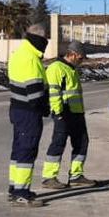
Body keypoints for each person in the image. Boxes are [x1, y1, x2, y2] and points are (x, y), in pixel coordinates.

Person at [41, 40, 97, 189]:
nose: (82, 61)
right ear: (72, 55)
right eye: (80, 58)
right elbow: (54, 92)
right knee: (58, 143)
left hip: (76, 113)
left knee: (81, 143)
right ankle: (49, 177)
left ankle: (76, 175)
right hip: (64, 113)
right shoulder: (56, 68)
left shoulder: (71, 68)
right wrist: (58, 113)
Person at [6, 23, 51, 207]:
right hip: (29, 112)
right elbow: (35, 93)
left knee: (18, 150)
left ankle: (14, 188)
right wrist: (44, 108)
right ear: (39, 40)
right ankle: (21, 193)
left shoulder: (19, 54)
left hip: (17, 109)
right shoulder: (31, 59)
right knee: (27, 150)